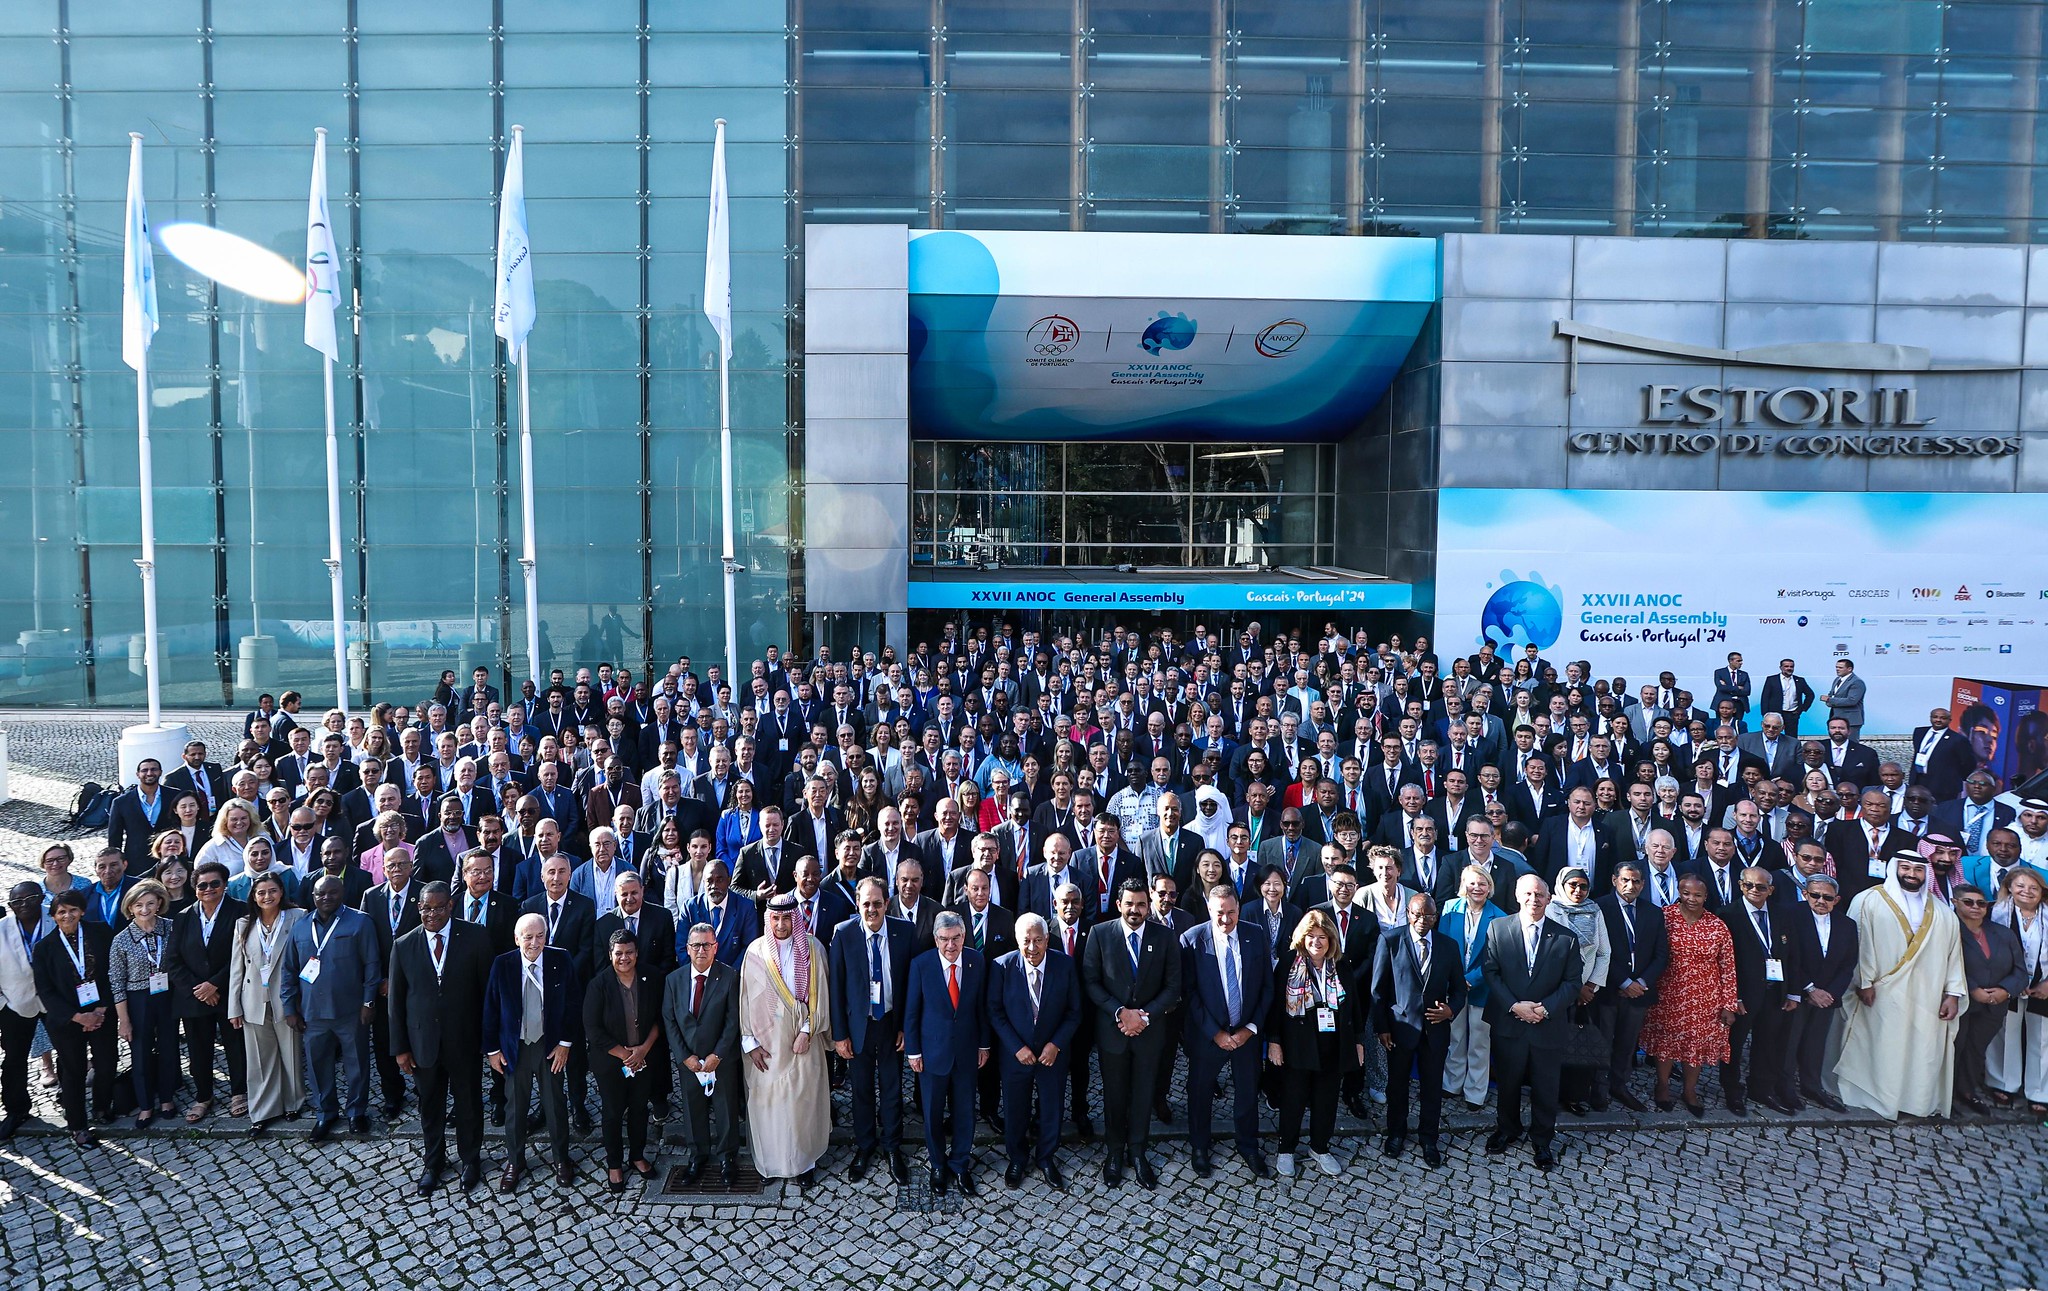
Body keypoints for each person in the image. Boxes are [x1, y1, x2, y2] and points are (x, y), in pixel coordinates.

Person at [1836, 854, 1966, 1120]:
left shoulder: (1942, 911)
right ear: (1893, 868)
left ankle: (1914, 1100)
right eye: (1905, 868)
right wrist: (1864, 982)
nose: (1911, 874)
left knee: (1921, 1049)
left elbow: (1954, 955)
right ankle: (1875, 1098)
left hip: (1927, 997)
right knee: (1881, 1045)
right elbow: (1859, 945)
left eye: (1918, 869)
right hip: (1880, 993)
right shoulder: (1868, 900)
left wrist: (1952, 994)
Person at [387, 881, 494, 1196]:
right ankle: (433, 1163)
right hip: (423, 1044)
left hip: (464, 1040)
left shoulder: (475, 937)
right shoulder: (404, 945)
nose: (431, 913)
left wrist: (489, 1042)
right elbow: (396, 1002)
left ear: (450, 906)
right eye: (425, 907)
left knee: (469, 1103)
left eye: (437, 907)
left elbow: (488, 993)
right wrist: (401, 1049)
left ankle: (470, 1160)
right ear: (418, 907)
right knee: (430, 1106)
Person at [1080, 876, 1181, 1190]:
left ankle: (1138, 1152)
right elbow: (1091, 981)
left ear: (1148, 905)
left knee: (1142, 1094)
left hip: (1150, 1033)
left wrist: (1144, 1016)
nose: (1135, 910)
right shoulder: (1100, 934)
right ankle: (1114, 1152)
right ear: (1117, 904)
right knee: (1114, 1095)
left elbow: (1173, 986)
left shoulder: (1164, 937)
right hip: (1113, 1031)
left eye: (1141, 904)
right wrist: (1120, 1012)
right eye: (1129, 904)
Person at [1479, 874, 1582, 1170]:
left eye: (1539, 895)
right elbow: (1491, 972)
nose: (1533, 900)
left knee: (1545, 1087)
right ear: (1516, 895)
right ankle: (1507, 1129)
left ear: (1549, 899)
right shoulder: (1497, 929)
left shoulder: (1566, 937)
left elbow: (1573, 983)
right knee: (1507, 1083)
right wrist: (1514, 1005)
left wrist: (1545, 1009)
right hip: (1509, 1022)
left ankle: (1541, 1141)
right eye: (1528, 894)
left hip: (1547, 1025)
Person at [279, 873, 383, 1140]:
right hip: (312, 1012)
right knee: (317, 1064)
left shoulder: (360, 922)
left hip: (351, 1010)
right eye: (320, 894)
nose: (326, 898)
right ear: (313, 897)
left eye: (332, 893)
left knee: (357, 1063)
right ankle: (325, 1113)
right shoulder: (301, 927)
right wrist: (290, 1008)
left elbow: (372, 965)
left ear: (342, 893)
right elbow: (289, 970)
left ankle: (356, 1112)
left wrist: (369, 1002)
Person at [484, 912, 582, 1191]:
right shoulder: (502, 964)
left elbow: (574, 1003)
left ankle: (561, 1158)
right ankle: (515, 1160)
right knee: (515, 1106)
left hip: (550, 1045)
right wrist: (492, 1050)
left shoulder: (560, 959)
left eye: (540, 935)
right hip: (516, 1046)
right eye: (528, 937)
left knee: (555, 1103)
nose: (534, 942)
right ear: (517, 939)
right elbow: (491, 1008)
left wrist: (565, 1044)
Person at [1180, 883, 1272, 1179]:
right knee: (1200, 1091)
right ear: (1209, 909)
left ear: (1238, 909)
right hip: (1209, 1034)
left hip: (1246, 1031)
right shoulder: (1192, 940)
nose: (1225, 919)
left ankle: (1248, 1146)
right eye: (1220, 913)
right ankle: (1199, 1147)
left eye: (1231, 912)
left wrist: (1250, 1028)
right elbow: (1190, 993)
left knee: (1247, 1092)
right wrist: (1215, 1033)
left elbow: (1266, 988)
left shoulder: (1255, 934)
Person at [826, 875, 914, 1185]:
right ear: (857, 905)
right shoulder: (844, 933)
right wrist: (839, 1034)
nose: (872, 909)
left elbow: (909, 986)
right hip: (858, 1026)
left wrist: (906, 1026)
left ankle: (892, 1147)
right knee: (861, 1090)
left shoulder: (905, 931)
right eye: (866, 904)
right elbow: (835, 988)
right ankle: (865, 1146)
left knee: (892, 1089)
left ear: (887, 904)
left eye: (878, 903)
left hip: (891, 1023)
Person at [740, 890, 833, 1184]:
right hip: (767, 1044)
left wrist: (808, 1031)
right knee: (768, 1103)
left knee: (801, 1102)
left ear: (796, 918)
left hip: (802, 1039)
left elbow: (821, 996)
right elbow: (745, 999)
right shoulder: (755, 951)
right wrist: (750, 1043)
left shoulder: (814, 949)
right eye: (775, 918)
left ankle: (803, 1164)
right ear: (769, 919)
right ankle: (771, 1162)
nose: (781, 925)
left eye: (786, 919)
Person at [987, 911, 1080, 1191]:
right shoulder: (1001, 967)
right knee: (1016, 1109)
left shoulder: (1064, 965)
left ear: (1047, 939)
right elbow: (995, 1011)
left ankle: (1046, 1157)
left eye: (1037, 940)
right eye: (1026, 941)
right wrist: (1017, 1047)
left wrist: (1056, 1045)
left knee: (1052, 1107)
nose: (1032, 947)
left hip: (1052, 1054)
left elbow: (1074, 1012)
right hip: (1017, 1055)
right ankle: (1017, 1158)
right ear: (1017, 941)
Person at [1266, 910, 1362, 1178]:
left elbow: (1354, 1006)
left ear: (1331, 939)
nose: (1317, 942)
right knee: (1293, 1098)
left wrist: (1357, 1042)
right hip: (1298, 1043)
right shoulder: (1288, 963)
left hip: (1333, 1044)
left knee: (1327, 1099)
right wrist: (1274, 1041)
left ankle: (1320, 1147)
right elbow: (1274, 1007)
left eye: (1322, 937)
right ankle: (1286, 1149)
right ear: (1302, 937)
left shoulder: (1341, 966)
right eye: (1311, 936)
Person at [1373, 891, 1465, 1166]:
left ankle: (1429, 1139)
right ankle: (1396, 1133)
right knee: (1397, 1085)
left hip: (1436, 1030)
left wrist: (1451, 1010)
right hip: (1400, 1028)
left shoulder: (1448, 946)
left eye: (1428, 915)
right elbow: (1378, 990)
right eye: (1417, 914)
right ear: (1408, 914)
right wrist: (1382, 1028)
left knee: (1432, 1087)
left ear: (1436, 918)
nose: (1422, 920)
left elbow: (1459, 989)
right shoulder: (1390, 940)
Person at [904, 910, 990, 1195]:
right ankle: (938, 1165)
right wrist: (914, 1052)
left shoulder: (977, 961)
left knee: (965, 1112)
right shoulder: (921, 965)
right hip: (932, 1054)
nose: (950, 945)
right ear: (935, 938)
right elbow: (912, 1012)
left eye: (956, 939)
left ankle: (960, 1164)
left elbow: (982, 1008)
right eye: (944, 939)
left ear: (964, 937)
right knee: (932, 1112)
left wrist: (984, 1044)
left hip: (967, 1052)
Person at [1639, 874, 1738, 1116]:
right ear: (1679, 892)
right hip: (1668, 992)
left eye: (1697, 894)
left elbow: (1728, 966)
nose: (1691, 898)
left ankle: (1689, 1090)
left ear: (1706, 896)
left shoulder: (1717, 925)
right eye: (1686, 893)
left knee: (1696, 1045)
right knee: (1667, 1042)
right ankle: (1662, 1086)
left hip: (1706, 997)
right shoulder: (1663, 916)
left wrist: (1729, 1003)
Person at [32, 890, 117, 1149]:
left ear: (81, 911)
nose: (67, 915)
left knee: (106, 1062)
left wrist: (101, 1009)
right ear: (54, 916)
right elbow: (45, 990)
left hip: (102, 1012)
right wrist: (79, 1017)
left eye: (72, 910)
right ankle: (78, 1126)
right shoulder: (44, 948)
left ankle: (102, 1107)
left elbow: (113, 969)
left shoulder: (101, 931)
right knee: (73, 1071)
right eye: (61, 912)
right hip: (67, 1019)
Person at [664, 920, 743, 1189]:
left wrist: (717, 1055)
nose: (701, 950)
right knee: (692, 1110)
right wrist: (684, 1056)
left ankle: (727, 1158)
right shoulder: (673, 980)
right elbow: (670, 1020)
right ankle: (698, 1156)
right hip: (690, 1061)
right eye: (696, 945)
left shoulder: (730, 976)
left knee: (726, 1110)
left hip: (720, 1059)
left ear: (715, 947)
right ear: (687, 948)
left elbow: (733, 1021)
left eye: (706, 945)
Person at [583, 928, 663, 1192]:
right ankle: (614, 1163)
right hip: (610, 1063)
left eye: (629, 952)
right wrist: (626, 1055)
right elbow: (593, 1030)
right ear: (610, 955)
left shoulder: (652, 978)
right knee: (613, 1112)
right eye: (619, 953)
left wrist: (642, 1051)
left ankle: (638, 1156)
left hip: (644, 1060)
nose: (624, 958)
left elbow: (658, 1020)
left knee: (640, 1109)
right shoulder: (598, 984)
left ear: (637, 953)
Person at [227, 871, 306, 1134]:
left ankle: (293, 1103)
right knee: (259, 1060)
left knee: (290, 1054)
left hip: (286, 998)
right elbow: (236, 969)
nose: (267, 896)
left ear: (281, 892)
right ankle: (262, 1110)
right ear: (253, 896)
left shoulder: (297, 917)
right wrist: (233, 1007)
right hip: (253, 1000)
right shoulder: (244, 924)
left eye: (272, 891)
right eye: (261, 892)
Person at [108, 879, 181, 1129]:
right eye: (138, 905)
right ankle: (146, 1104)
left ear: (159, 903)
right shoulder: (121, 940)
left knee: (169, 1048)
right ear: (130, 907)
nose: (145, 909)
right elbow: (116, 982)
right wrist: (124, 1019)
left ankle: (168, 1099)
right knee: (140, 1053)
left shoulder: (171, 928)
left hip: (168, 995)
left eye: (150, 903)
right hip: (138, 999)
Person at [1597, 861, 1668, 1112]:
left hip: (1639, 991)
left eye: (1636, 881)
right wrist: (1624, 982)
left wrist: (1640, 983)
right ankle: (1598, 1089)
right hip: (1608, 989)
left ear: (1643, 884)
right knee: (1603, 1041)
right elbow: (1600, 951)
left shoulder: (1653, 911)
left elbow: (1661, 955)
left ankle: (1619, 1085)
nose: (1631, 885)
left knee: (1627, 1044)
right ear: (1614, 880)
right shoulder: (1600, 908)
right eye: (1625, 880)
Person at [1544, 866, 1612, 1115]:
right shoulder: (1551, 909)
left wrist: (1591, 985)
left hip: (1586, 996)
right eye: (1572, 885)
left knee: (1579, 1047)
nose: (1578, 890)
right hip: (1557, 992)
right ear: (1562, 885)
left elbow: (1604, 951)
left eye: (1583, 886)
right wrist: (1575, 988)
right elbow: (1550, 954)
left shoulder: (1594, 910)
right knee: (1552, 1047)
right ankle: (1549, 1094)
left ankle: (1574, 1096)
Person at [1952, 884, 2025, 1115]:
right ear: (1955, 903)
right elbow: (1945, 964)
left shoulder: (2003, 933)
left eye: (1981, 903)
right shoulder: (1949, 930)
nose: (1976, 907)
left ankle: (1967, 1092)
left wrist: (2005, 990)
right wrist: (1972, 988)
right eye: (1969, 902)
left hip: (1995, 1005)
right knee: (1955, 1047)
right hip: (1962, 1001)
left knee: (1976, 1049)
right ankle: (1945, 1094)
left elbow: (2021, 971)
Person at [1787, 874, 1856, 1112]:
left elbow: (1849, 964)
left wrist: (1830, 994)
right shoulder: (1791, 916)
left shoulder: (1847, 925)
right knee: (1789, 1042)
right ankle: (1785, 1088)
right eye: (1815, 895)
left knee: (1816, 1045)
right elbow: (1789, 958)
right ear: (1805, 894)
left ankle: (1812, 1086)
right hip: (1798, 992)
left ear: (1836, 900)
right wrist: (1810, 989)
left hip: (1827, 998)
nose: (1820, 901)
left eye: (1827, 897)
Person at [1441, 864, 1507, 1110]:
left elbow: (1496, 957)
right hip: (1453, 985)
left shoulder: (1499, 916)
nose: (1477, 888)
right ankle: (1452, 1083)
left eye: (1482, 883)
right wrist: (1455, 980)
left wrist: (1471, 979)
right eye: (1472, 883)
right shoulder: (1450, 909)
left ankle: (1476, 1092)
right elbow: (1443, 946)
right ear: (1463, 885)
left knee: (1480, 1041)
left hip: (1483, 986)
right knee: (1455, 1036)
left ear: (1489, 887)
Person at [1987, 868, 2048, 1113]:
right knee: (2005, 1033)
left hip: (2043, 985)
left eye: (2034, 888)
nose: (2027, 892)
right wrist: (2010, 982)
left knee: (2043, 1038)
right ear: (2009, 887)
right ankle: (2003, 1084)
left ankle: (2040, 1092)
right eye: (2021, 886)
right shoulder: (1994, 912)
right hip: (2006, 983)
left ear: (2042, 892)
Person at [0, 882, 49, 1140]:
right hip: (15, 1004)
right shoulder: (1, 929)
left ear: (41, 897)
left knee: (70, 1054)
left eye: (30, 898)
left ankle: (72, 1104)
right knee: (14, 1060)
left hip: (55, 1002)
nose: (23, 905)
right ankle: (16, 1110)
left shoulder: (56, 917)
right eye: (16, 902)